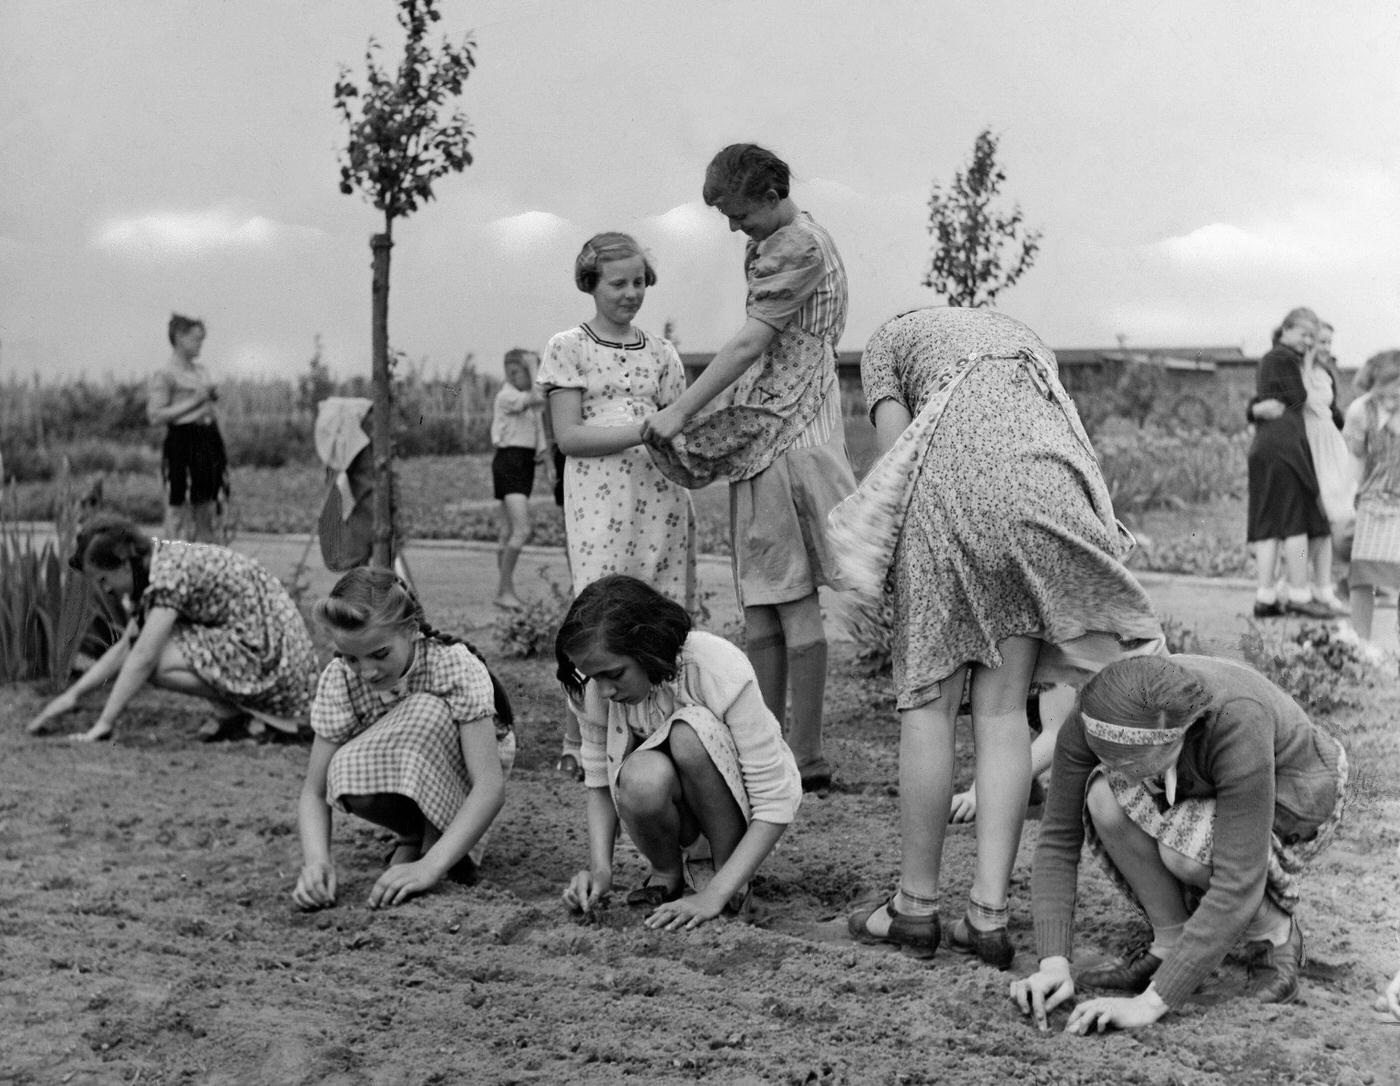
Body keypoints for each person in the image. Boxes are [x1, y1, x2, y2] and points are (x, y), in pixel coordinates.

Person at [833, 307, 1163, 968]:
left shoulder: (889, 341)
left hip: (951, 492)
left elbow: (900, 453)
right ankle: (987, 917)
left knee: (928, 706)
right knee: (1005, 708)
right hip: (1045, 489)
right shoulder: (1027, 340)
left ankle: (914, 908)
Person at [642, 144, 855, 792]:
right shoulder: (796, 236)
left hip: (786, 428)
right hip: (789, 422)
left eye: (740, 215)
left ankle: (804, 754)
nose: (736, 228)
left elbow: (751, 342)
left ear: (768, 193)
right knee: (765, 598)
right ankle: (776, 746)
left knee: (786, 596)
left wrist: (681, 410)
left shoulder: (794, 245)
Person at [1011, 655, 1347, 1034]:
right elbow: (1058, 840)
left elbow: (1238, 880)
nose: (1126, 774)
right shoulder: (1094, 716)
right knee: (1105, 797)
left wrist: (1149, 1004)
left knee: (1186, 850)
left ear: (1181, 730)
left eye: (1138, 765)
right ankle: (1171, 941)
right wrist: (1052, 963)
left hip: (1297, 790)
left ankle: (1273, 934)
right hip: (1195, 781)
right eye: (1112, 759)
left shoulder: (1237, 720)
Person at [537, 232, 698, 784]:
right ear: (591, 284)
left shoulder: (662, 353)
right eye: (618, 283)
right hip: (600, 500)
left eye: (638, 282)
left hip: (660, 498)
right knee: (600, 609)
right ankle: (584, 742)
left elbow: (680, 420)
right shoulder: (568, 346)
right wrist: (640, 430)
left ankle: (659, 735)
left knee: (657, 607)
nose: (631, 293)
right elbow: (569, 437)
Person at [557, 575, 801, 930]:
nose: (606, 690)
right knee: (640, 775)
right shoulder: (596, 689)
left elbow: (775, 801)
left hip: (740, 818)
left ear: (648, 647)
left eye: (615, 674)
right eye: (594, 677)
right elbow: (599, 784)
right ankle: (666, 875)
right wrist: (600, 870)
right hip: (678, 815)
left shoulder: (717, 668)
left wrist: (714, 895)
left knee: (687, 734)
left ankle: (727, 880)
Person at [293, 567, 515, 911]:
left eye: (380, 654)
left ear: (411, 630)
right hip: (402, 758)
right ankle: (415, 833)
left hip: (468, 766)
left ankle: (439, 847)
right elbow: (314, 791)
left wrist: (430, 867)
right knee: (341, 765)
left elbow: (489, 786)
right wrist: (316, 862)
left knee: (425, 711)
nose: (366, 672)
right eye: (352, 658)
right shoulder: (339, 679)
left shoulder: (451, 664)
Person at [26, 514, 316, 742]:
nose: (105, 590)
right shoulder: (158, 563)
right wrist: (71, 696)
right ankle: (236, 716)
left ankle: (247, 714)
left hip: (277, 664)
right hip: (270, 651)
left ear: (124, 563)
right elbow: (126, 646)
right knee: (155, 649)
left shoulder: (168, 575)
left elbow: (141, 657)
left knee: (157, 661)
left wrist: (104, 724)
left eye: (104, 580)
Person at [1246, 307, 1336, 619]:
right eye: (1304, 334)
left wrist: (1254, 408)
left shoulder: (1271, 358)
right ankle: (1299, 593)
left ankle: (1265, 597)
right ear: (1286, 329)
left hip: (1266, 446)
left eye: (1314, 336)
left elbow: (1267, 398)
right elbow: (1298, 397)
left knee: (1268, 524)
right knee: (1295, 521)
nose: (1308, 342)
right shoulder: (1284, 358)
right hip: (1286, 447)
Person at [147, 313, 228, 543]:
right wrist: (196, 401)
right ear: (179, 338)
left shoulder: (200, 371)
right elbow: (155, 415)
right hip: (183, 441)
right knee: (179, 506)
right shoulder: (166, 374)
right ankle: (177, 555)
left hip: (208, 439)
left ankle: (207, 555)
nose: (200, 344)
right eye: (196, 339)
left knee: (208, 502)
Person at [1342, 350, 1400, 644]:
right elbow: (1356, 461)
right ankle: (1359, 643)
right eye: (1391, 385)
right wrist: (1347, 503)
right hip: (1373, 501)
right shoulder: (1360, 412)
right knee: (1363, 575)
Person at [1296, 319, 1352, 613]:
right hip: (1312, 444)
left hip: (1332, 443)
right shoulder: (1300, 373)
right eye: (1321, 342)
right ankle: (1300, 582)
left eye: (1330, 342)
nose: (1326, 348)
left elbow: (1333, 411)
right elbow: (1301, 399)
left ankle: (1328, 584)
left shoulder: (1326, 373)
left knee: (1334, 515)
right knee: (1314, 517)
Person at [491, 348, 548, 611]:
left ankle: (505, 589)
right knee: (521, 530)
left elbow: (539, 404)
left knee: (506, 532)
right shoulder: (507, 396)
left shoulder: (524, 399)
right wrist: (532, 365)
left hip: (522, 462)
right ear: (513, 373)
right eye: (527, 372)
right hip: (510, 461)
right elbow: (538, 395)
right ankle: (505, 591)